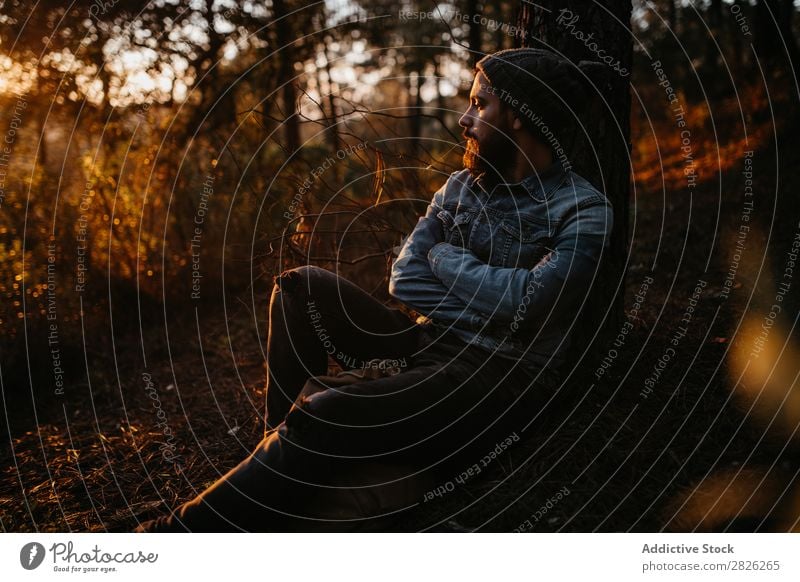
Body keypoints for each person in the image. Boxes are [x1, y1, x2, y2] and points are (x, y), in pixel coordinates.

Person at [136, 47, 614, 532]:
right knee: (300, 288)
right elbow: (404, 278)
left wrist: (448, 261)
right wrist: (492, 300)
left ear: (516, 116)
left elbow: (528, 305)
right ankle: (278, 449)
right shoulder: (462, 187)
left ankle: (175, 536)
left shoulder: (584, 210)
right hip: (429, 342)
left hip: (499, 375)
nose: (465, 119)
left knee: (329, 411)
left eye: (480, 105)